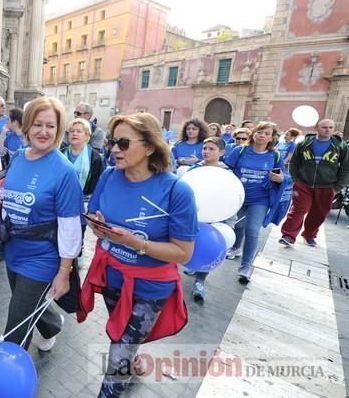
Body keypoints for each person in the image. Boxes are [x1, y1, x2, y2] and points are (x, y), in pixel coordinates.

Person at [79, 112, 197, 397]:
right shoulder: (108, 176)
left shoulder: (176, 190)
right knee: (122, 339)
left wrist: (136, 243)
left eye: (123, 142)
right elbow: (97, 222)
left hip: (150, 287)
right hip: (112, 277)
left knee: (119, 345)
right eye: (111, 141)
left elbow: (183, 253)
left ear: (149, 146)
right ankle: (131, 358)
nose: (114, 149)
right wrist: (100, 229)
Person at [0, 97, 83, 351]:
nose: (43, 132)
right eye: (37, 124)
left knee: (15, 326)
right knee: (25, 305)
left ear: (58, 131)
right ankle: (51, 324)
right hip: (13, 249)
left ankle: (8, 380)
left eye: (51, 126)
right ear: (27, 127)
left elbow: (70, 229)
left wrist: (63, 273)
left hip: (41, 258)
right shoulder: (19, 157)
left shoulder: (64, 171)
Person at [224, 122, 285, 284]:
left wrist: (281, 179)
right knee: (237, 226)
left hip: (260, 199)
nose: (262, 135)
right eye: (259, 132)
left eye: (267, 133)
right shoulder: (240, 150)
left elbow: (283, 176)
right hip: (238, 197)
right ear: (254, 133)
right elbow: (225, 168)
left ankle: (245, 267)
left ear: (272, 138)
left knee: (252, 230)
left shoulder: (275, 156)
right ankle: (235, 247)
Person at [279, 119, 349, 248]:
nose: (327, 130)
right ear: (317, 128)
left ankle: (309, 235)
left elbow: (345, 168)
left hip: (327, 186)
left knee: (319, 213)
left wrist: (338, 187)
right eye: (324, 127)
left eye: (330, 127)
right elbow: (294, 162)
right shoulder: (304, 143)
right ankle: (288, 236)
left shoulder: (341, 146)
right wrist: (295, 179)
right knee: (299, 210)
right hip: (303, 184)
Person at [183, 137, 233, 303]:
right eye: (205, 148)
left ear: (222, 152)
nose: (206, 151)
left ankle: (200, 280)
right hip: (193, 214)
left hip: (214, 216)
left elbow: (230, 197)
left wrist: (228, 219)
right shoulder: (195, 169)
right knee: (190, 242)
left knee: (207, 246)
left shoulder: (227, 173)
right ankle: (191, 264)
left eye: (211, 149)